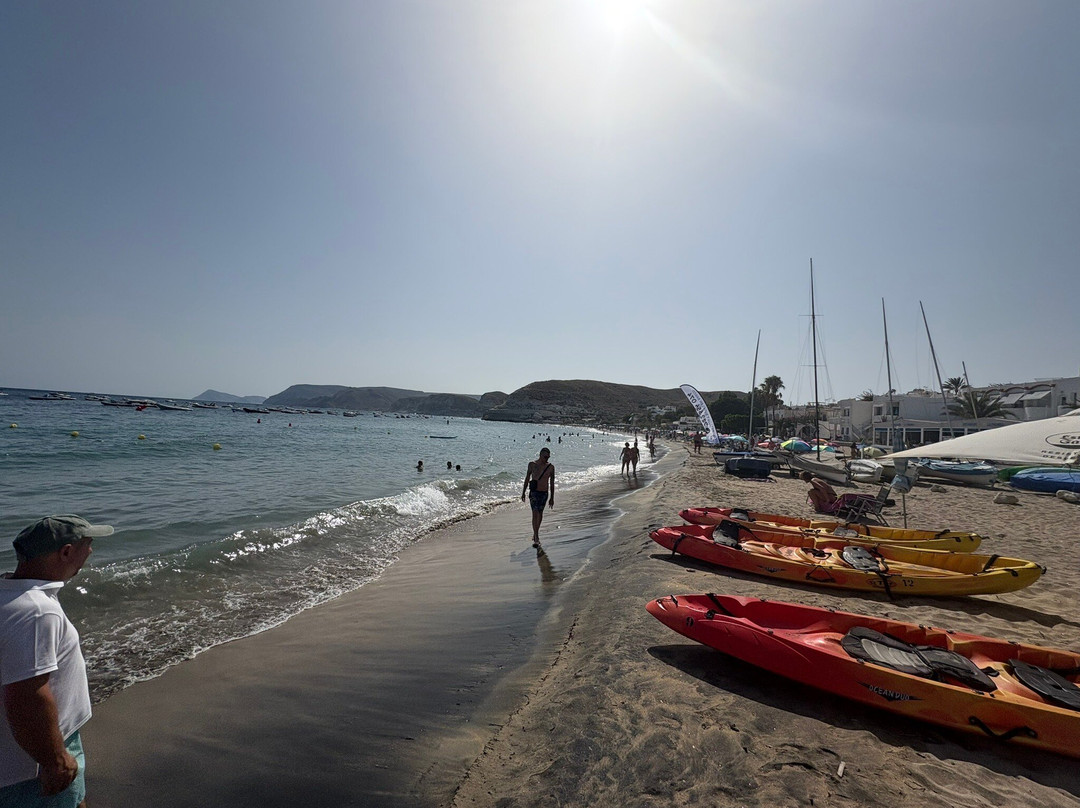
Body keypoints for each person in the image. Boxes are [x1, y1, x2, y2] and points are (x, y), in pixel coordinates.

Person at [1, 515, 114, 808]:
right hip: (34, 762)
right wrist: (55, 760)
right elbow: (26, 695)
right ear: (66, 552)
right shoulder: (36, 611)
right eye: (87, 545)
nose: (90, 552)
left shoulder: (10, 594)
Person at [521, 448, 555, 546]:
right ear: (540, 455)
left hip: (544, 493)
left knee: (540, 513)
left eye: (548, 457)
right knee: (534, 513)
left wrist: (552, 498)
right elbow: (527, 478)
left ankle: (536, 532)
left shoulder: (551, 467)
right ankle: (536, 536)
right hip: (534, 492)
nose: (547, 459)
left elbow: (552, 483)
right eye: (545, 457)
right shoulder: (532, 465)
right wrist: (523, 492)